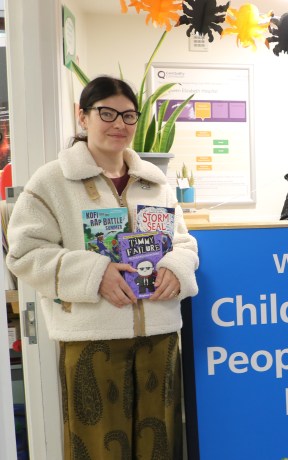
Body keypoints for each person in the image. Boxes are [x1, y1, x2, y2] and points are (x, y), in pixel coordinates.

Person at [5, 76, 199, 459]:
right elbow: (25, 253)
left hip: (159, 336)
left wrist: (177, 266)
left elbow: (183, 241)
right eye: (106, 113)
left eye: (128, 115)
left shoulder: (154, 182)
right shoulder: (51, 182)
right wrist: (95, 275)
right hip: (92, 340)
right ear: (83, 117)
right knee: (97, 448)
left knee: (160, 445)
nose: (119, 124)